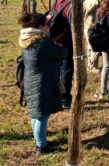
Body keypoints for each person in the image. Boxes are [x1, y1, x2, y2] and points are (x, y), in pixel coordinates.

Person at [18, 12, 68, 155]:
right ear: (41, 27)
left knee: (36, 114)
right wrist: (59, 45)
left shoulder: (27, 38)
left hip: (32, 79)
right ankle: (42, 146)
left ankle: (40, 141)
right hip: (42, 81)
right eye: (47, 25)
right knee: (42, 115)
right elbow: (61, 53)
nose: (49, 28)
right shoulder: (41, 41)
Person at [51, 0, 75, 109]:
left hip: (54, 42)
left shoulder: (55, 1)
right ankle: (65, 99)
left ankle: (56, 96)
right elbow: (73, 26)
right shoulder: (70, 5)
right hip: (66, 44)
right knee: (66, 71)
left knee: (56, 70)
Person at [83, 0, 101, 73]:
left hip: (86, 25)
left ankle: (90, 65)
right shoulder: (95, 2)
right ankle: (93, 66)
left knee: (89, 46)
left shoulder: (85, 1)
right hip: (92, 26)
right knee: (95, 46)